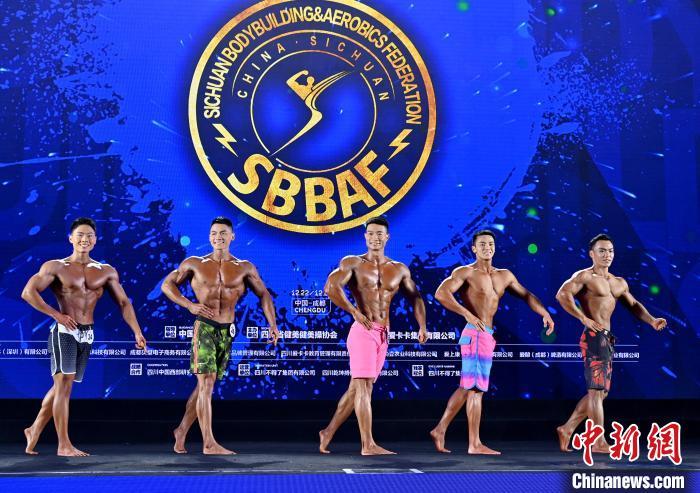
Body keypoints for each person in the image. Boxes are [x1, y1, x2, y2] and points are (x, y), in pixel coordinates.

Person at [21, 217, 147, 456]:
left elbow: (123, 303)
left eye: (89, 235)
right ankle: (63, 445)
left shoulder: (106, 271)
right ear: (71, 238)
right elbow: (28, 292)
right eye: (80, 235)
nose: (84, 239)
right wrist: (57, 315)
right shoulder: (55, 267)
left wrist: (137, 331)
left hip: (87, 334)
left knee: (63, 385)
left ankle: (34, 428)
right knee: (64, 386)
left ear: (95, 240)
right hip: (65, 331)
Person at [162, 216, 280, 455]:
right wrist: (189, 305)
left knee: (206, 385)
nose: (219, 237)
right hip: (205, 326)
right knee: (206, 382)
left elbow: (264, 295)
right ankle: (208, 443)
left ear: (232, 236)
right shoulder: (194, 263)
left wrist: (273, 324)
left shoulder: (244, 267)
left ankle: (182, 430)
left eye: (223, 233)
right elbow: (167, 284)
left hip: (227, 331)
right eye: (214, 233)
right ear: (209, 237)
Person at [429, 230, 554, 454]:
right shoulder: (466, 272)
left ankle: (440, 429)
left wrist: (544, 312)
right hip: (475, 334)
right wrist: (466, 314)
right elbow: (441, 293)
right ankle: (474, 444)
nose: (487, 247)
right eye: (482, 244)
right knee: (476, 390)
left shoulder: (504, 275)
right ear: (474, 249)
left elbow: (526, 295)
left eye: (490, 244)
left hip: (486, 335)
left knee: (467, 387)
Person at [318, 217, 428, 455]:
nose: (375, 237)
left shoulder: (399, 269)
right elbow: (331, 287)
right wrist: (354, 311)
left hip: (383, 335)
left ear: (387, 237)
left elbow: (416, 298)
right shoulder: (353, 263)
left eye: (379, 234)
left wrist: (422, 326)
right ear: (365, 236)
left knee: (356, 389)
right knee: (364, 387)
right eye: (371, 233)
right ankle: (367, 444)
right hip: (363, 331)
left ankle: (327, 432)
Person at [555, 233, 666, 453]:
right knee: (596, 391)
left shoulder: (618, 282)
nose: (607, 255)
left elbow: (633, 305)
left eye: (610, 251)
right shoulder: (584, 276)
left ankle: (567, 428)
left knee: (601, 392)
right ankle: (598, 441)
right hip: (594, 337)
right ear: (592, 254)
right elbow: (562, 295)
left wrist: (652, 320)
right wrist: (583, 318)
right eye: (602, 251)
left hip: (607, 338)